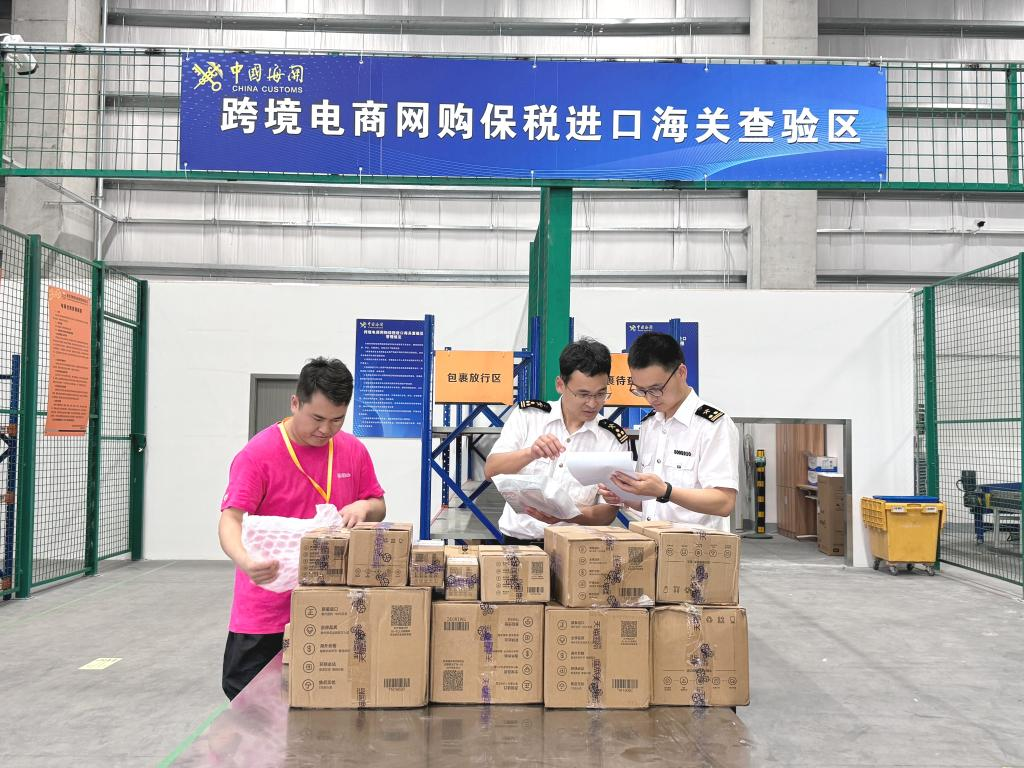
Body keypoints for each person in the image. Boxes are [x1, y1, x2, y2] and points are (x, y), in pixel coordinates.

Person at [217, 357, 386, 699]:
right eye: (317, 419)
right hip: (267, 609)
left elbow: (379, 505)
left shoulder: (352, 451)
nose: (326, 430)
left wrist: (364, 506)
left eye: (337, 420)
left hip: (331, 604)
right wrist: (246, 561)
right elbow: (230, 519)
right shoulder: (258, 455)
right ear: (295, 403)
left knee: (325, 700)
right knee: (251, 703)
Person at [484, 338, 629, 544]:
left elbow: (607, 513)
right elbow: (491, 471)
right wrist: (530, 453)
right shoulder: (528, 416)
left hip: (576, 548)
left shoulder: (611, 439)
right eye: (583, 394)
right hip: (519, 543)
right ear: (560, 384)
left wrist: (567, 515)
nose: (592, 403)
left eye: (601, 394)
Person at [601, 331, 738, 530]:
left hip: (696, 552)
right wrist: (624, 496)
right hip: (651, 544)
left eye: (657, 388)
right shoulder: (651, 425)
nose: (650, 398)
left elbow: (724, 502)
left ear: (681, 373)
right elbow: (650, 503)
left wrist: (666, 491)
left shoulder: (712, 425)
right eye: (641, 391)